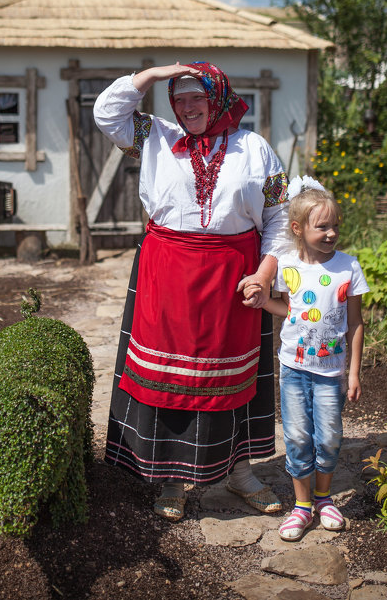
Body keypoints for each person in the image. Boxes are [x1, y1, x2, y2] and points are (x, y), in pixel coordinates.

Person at [93, 61, 289, 521]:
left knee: (231, 379)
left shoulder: (254, 148)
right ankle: (171, 480)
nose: (186, 108)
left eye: (196, 97)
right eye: (178, 99)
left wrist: (264, 275)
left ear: (217, 97)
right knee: (171, 377)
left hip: (234, 277)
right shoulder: (156, 136)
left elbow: (279, 217)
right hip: (168, 273)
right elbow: (106, 113)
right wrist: (155, 73)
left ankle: (239, 474)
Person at [257, 175, 369, 541]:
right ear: (298, 228)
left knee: (330, 437)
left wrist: (353, 373)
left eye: (336, 225)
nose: (332, 233)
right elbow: (286, 309)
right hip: (293, 368)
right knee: (298, 436)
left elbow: (355, 323)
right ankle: (302, 507)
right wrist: (264, 302)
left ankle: (324, 498)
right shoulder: (287, 264)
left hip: (330, 372)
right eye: (323, 227)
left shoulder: (348, 267)